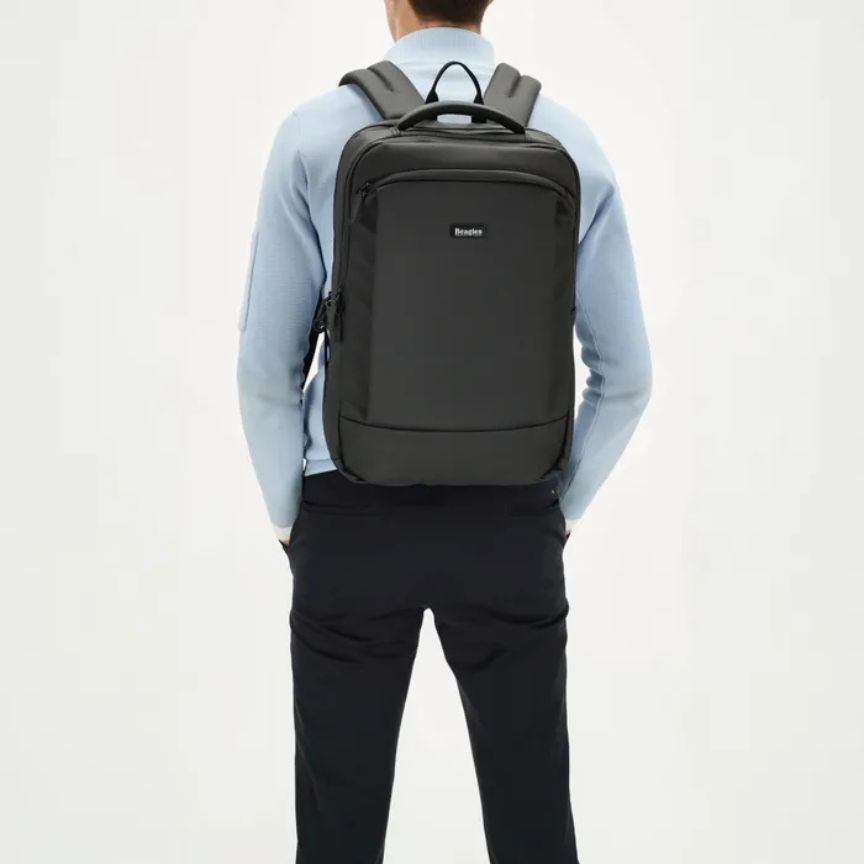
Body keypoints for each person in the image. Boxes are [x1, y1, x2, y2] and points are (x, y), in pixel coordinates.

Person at [237, 1, 651, 861]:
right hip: (510, 520)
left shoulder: (313, 136)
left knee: (338, 828)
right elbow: (628, 377)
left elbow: (266, 371)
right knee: (533, 819)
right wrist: (559, 507)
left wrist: (291, 519)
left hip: (349, 516)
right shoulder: (571, 143)